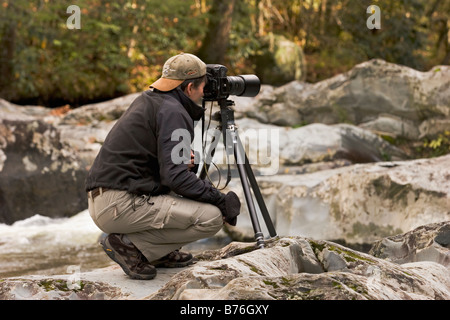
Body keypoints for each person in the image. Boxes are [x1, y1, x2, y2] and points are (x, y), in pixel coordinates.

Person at [85, 53, 241, 280]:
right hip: (118, 204)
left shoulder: (150, 100)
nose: (203, 93)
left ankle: (158, 253)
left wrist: (189, 162)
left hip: (105, 200)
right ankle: (131, 247)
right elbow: (175, 178)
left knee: (190, 196)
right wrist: (219, 199)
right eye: (203, 87)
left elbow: (163, 165)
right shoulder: (174, 112)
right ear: (189, 88)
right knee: (212, 217)